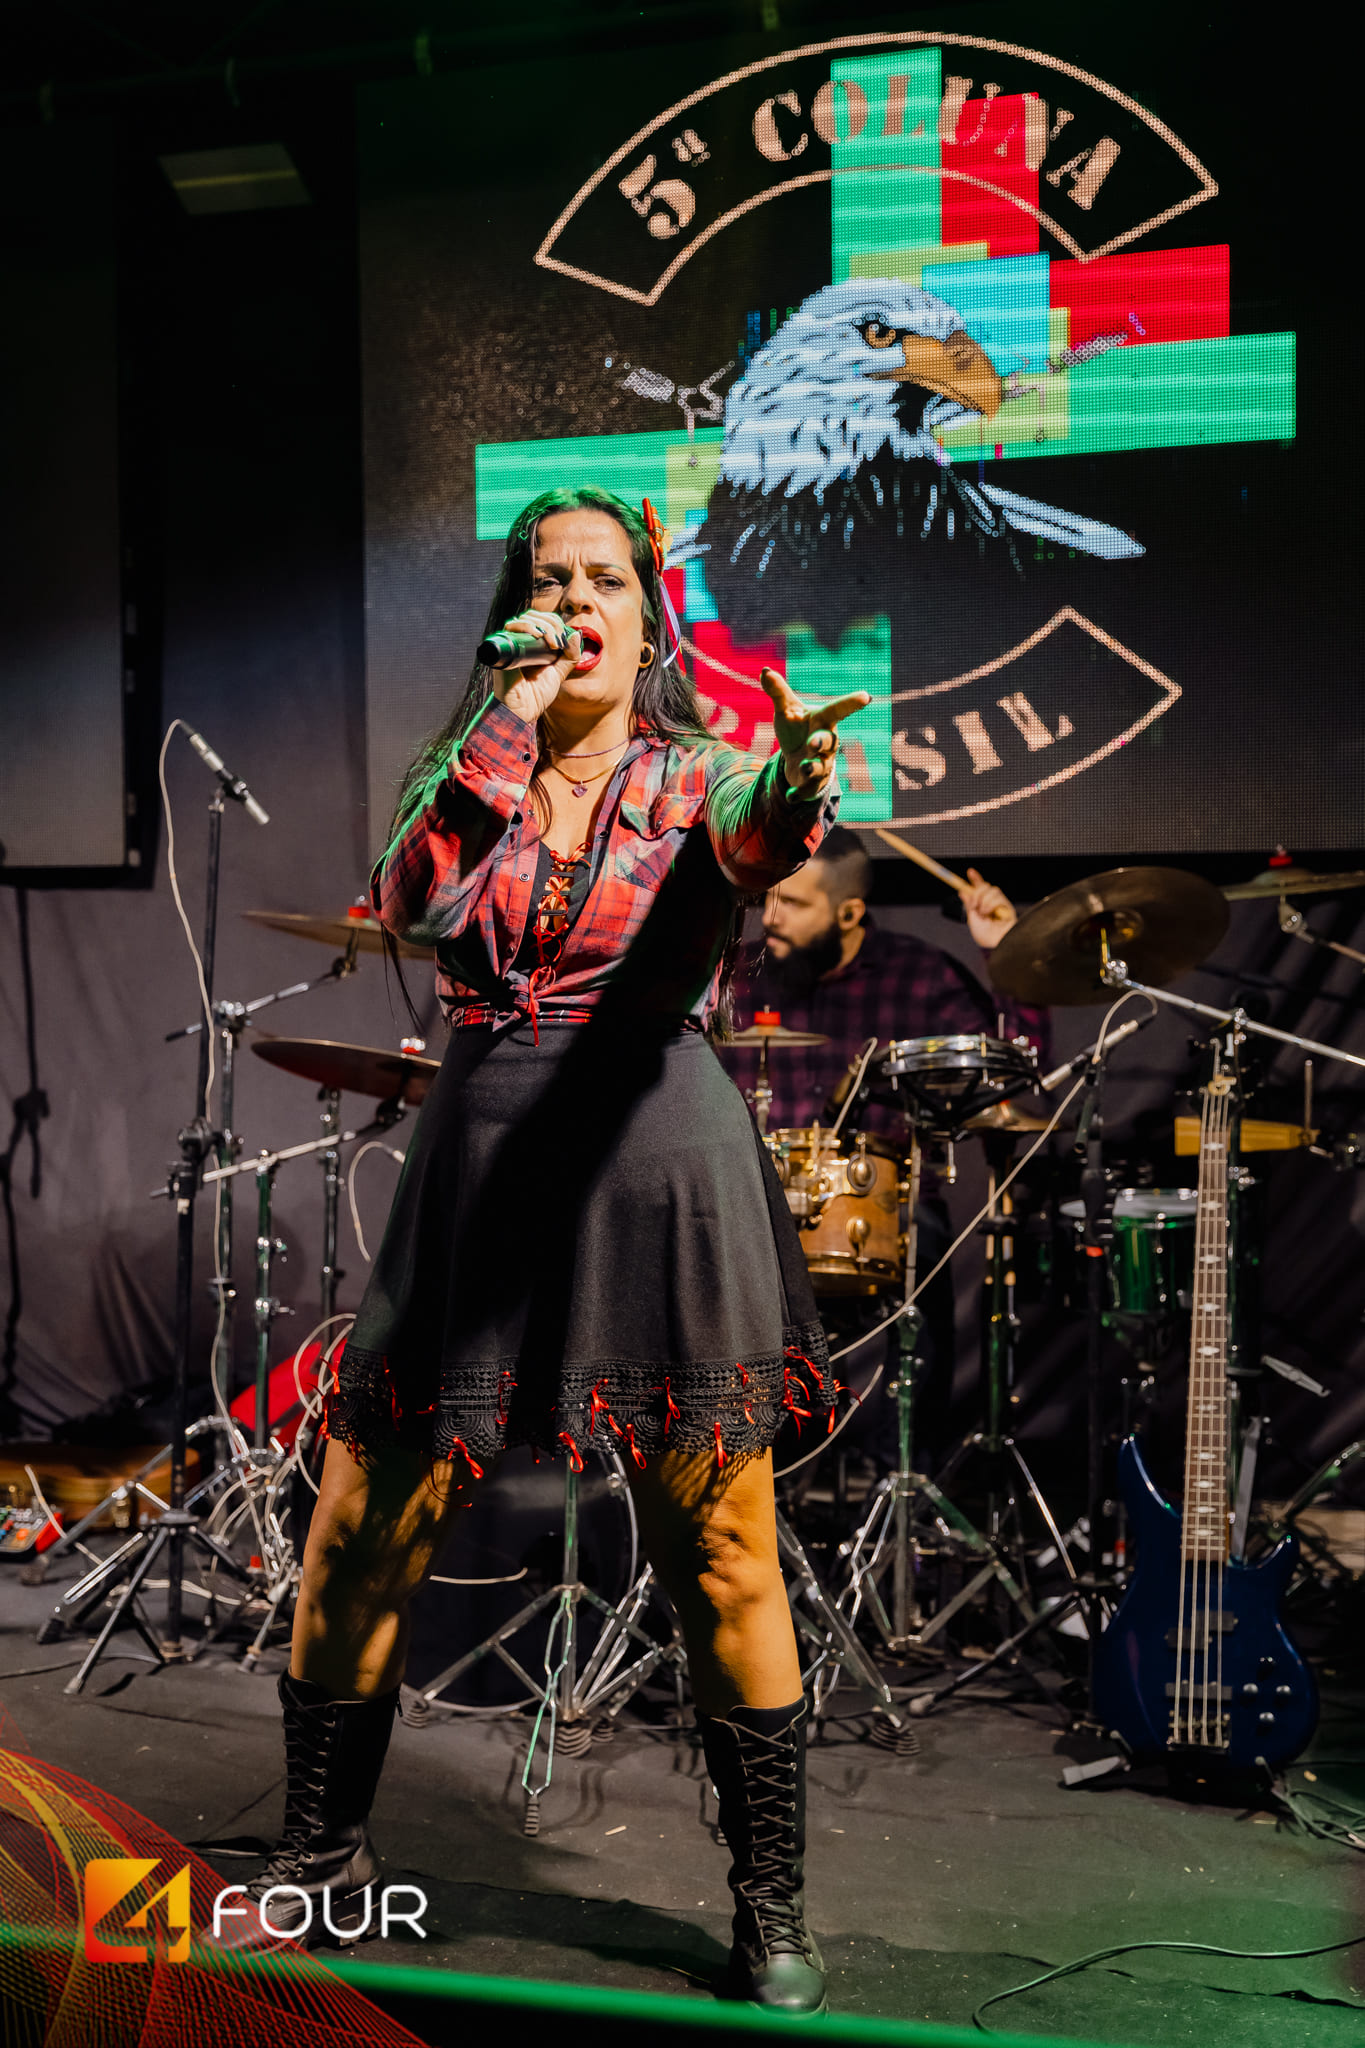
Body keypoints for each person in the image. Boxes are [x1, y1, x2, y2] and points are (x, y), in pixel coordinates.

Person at [232, 486, 871, 2016]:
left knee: (720, 1545)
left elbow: (762, 828)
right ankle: (319, 1855)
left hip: (655, 1150)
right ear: (517, 610)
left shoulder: (702, 776)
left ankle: (770, 1905)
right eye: (550, 577)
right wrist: (505, 727)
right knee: (362, 1520)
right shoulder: (470, 767)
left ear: (650, 618)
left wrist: (796, 769)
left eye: (605, 581)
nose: (577, 600)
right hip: (482, 1154)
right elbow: (408, 901)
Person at [722, 829, 1050, 1472]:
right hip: (753, 1209)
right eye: (769, 899)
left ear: (849, 913)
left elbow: (1015, 1074)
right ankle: (746, 1479)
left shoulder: (921, 975)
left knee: (925, 1244)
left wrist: (1004, 954)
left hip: (882, 1212)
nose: (772, 918)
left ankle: (902, 1476)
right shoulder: (739, 973)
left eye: (795, 904)